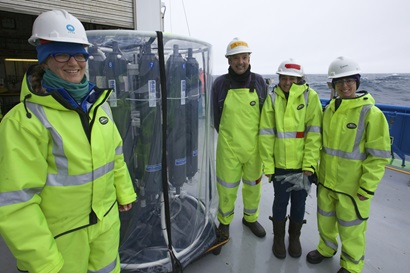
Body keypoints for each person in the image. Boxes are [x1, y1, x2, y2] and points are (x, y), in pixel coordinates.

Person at [0, 10, 137, 273]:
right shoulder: (25, 121)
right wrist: (44, 261)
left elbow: (115, 154)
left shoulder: (99, 105)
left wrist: (124, 191)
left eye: (79, 54)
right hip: (60, 239)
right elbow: (16, 202)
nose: (73, 62)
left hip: (106, 225)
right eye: (61, 54)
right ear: (44, 61)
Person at [306, 56, 391, 273]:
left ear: (357, 82)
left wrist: (367, 187)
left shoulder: (371, 113)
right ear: (333, 86)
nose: (345, 86)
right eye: (340, 82)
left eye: (350, 81)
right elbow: (320, 144)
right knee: (325, 222)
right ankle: (326, 249)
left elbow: (379, 156)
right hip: (326, 183)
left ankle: (351, 265)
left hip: (352, 189)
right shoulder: (329, 111)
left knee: (351, 229)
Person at [259, 59, 322, 259]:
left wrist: (309, 164)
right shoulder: (272, 99)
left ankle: (294, 238)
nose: (287, 82)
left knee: (299, 204)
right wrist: (268, 165)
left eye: (292, 79)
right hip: (279, 165)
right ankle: (279, 238)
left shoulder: (311, 97)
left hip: (303, 166)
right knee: (280, 202)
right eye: (284, 78)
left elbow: (314, 135)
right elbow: (266, 134)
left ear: (300, 79)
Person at [211, 37, 268, 248]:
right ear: (228, 61)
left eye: (244, 57)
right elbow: (216, 117)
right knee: (226, 188)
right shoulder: (220, 84)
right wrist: (228, 137)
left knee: (253, 186)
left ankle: (250, 218)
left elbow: (266, 116)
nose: (240, 62)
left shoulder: (260, 82)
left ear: (249, 58)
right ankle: (224, 223)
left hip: (255, 148)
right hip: (228, 147)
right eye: (235, 58)